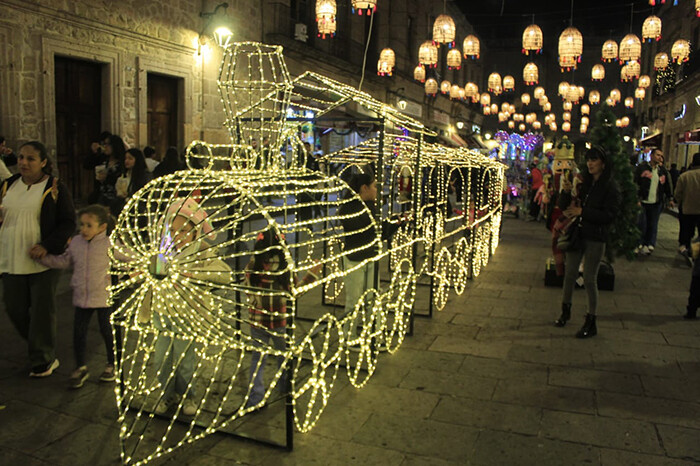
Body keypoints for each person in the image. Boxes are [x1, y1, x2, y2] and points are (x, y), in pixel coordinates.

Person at [145, 198, 231, 416]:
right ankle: (167, 395)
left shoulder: (201, 252)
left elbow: (224, 274)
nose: (177, 235)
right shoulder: (162, 253)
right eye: (172, 230)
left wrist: (195, 275)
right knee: (161, 360)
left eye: (183, 230)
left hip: (187, 315)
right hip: (162, 313)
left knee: (185, 362)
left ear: (195, 232)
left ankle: (188, 397)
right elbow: (150, 274)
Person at [0, 141, 76, 376]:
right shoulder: (8, 185)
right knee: (15, 308)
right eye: (21, 157)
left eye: (31, 158)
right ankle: (38, 343)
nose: (23, 162)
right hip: (10, 255)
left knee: (42, 311)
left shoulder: (54, 188)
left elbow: (67, 222)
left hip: (42, 260)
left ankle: (43, 359)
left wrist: (46, 245)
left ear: (43, 162)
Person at [36, 205, 118, 388]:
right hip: (82, 296)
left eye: (89, 225)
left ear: (102, 227)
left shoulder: (109, 244)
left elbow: (128, 258)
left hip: (103, 297)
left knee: (107, 331)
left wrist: (139, 268)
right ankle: (80, 367)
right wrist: (42, 258)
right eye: (82, 225)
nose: (83, 229)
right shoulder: (76, 243)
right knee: (78, 333)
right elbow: (64, 261)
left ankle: (112, 364)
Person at [244, 230, 322, 409]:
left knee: (257, 361)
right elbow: (295, 293)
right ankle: (285, 388)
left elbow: (249, 292)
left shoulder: (251, 267)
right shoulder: (285, 269)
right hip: (280, 323)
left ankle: (255, 399)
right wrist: (312, 275)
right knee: (285, 358)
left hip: (257, 322)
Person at [554, 146, 619, 339]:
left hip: (596, 237)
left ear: (603, 163)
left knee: (590, 279)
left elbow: (610, 215)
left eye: (594, 160)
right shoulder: (585, 183)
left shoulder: (610, 187)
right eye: (589, 160)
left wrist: (584, 213)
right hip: (578, 235)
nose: (590, 163)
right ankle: (565, 311)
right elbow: (567, 206)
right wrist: (566, 192)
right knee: (570, 274)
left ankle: (591, 321)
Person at [338, 172, 402, 343]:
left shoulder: (370, 206)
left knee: (372, 298)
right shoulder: (349, 208)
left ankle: (376, 336)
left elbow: (378, 232)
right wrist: (386, 226)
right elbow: (370, 230)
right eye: (373, 186)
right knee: (354, 300)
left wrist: (395, 223)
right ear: (364, 188)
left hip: (371, 256)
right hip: (355, 258)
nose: (376, 190)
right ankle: (349, 337)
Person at [634, 149, 672, 255]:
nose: (660, 157)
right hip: (643, 201)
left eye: (661, 156)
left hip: (656, 202)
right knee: (642, 223)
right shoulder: (642, 168)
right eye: (658, 155)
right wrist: (637, 198)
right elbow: (636, 182)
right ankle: (639, 243)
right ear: (651, 156)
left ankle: (649, 243)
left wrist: (670, 198)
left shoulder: (662, 171)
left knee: (653, 224)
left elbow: (667, 185)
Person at [675, 153, 700, 267]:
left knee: (687, 231)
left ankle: (686, 248)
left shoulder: (685, 176)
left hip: (687, 209)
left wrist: (680, 203)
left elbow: (678, 194)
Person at [113, 148, 151, 215]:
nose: (126, 161)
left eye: (130, 159)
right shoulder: (125, 175)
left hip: (138, 209)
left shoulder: (144, 175)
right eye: (125, 158)